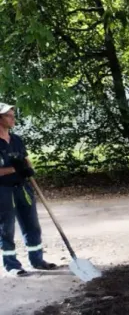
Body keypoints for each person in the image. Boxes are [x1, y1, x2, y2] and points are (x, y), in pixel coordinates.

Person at [0, 103, 57, 277]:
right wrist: (15, 169)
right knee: (6, 229)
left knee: (32, 225)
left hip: (22, 187)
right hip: (3, 190)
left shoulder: (16, 139)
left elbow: (25, 160)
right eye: (9, 115)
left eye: (13, 115)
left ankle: (37, 260)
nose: (13, 119)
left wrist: (28, 169)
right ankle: (12, 266)